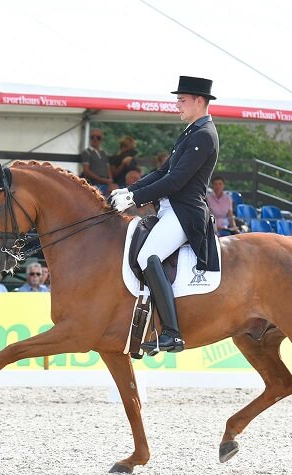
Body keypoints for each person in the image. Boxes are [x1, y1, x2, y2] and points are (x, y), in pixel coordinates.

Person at [109, 76, 219, 352]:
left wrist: (136, 198)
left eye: (182, 100)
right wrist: (129, 189)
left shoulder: (204, 136)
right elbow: (161, 172)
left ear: (199, 101)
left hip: (185, 212)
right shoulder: (190, 133)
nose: (177, 105)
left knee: (148, 256)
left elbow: (176, 181)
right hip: (170, 208)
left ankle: (172, 332)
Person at [80, 128, 114, 193]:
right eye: (93, 137)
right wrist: (101, 179)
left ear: (101, 139)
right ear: (90, 138)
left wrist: (110, 179)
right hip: (93, 183)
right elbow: (86, 171)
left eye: (98, 137)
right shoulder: (86, 152)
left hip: (105, 183)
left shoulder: (103, 153)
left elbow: (108, 167)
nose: (95, 139)